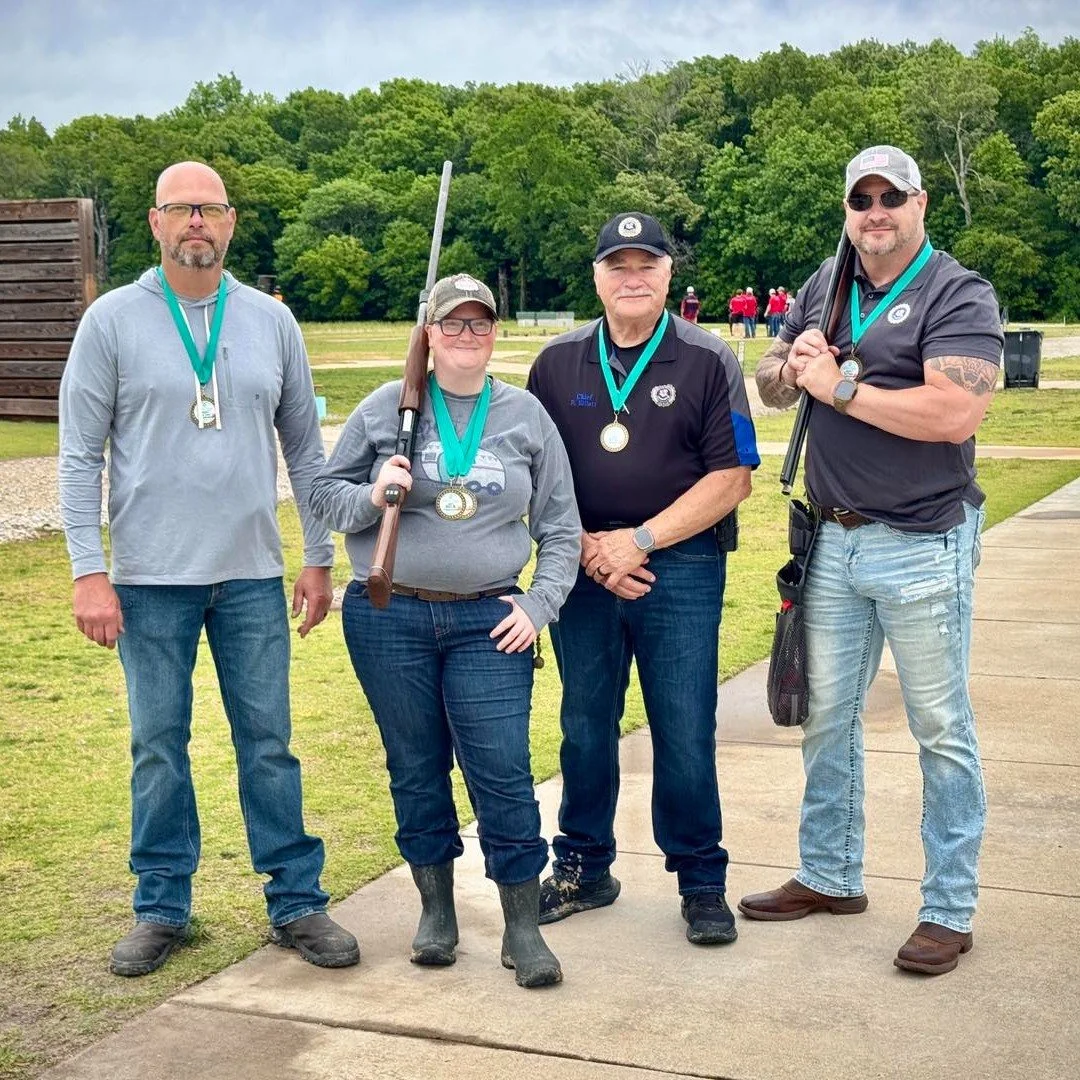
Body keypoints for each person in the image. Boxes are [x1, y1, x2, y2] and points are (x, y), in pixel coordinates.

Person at [57, 161, 359, 977]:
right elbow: (81, 455)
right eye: (182, 209)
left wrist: (319, 555)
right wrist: (90, 570)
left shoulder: (271, 322)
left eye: (211, 209)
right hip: (149, 581)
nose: (198, 221)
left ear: (231, 222)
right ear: (155, 222)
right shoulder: (112, 322)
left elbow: (304, 449)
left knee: (268, 743)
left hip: (253, 578)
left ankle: (297, 900)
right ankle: (162, 906)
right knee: (159, 745)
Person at [744, 145, 1003, 976]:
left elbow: (955, 412)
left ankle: (948, 908)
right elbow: (771, 382)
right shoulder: (828, 281)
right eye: (862, 198)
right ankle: (830, 874)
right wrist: (793, 364)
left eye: (891, 196)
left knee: (940, 729)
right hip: (831, 536)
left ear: (920, 204)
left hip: (923, 539)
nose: (875, 211)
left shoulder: (956, 291)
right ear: (847, 208)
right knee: (826, 717)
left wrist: (840, 388)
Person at [309, 273, 580, 988]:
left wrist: (538, 606)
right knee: (415, 766)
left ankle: (522, 925)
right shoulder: (387, 408)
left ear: (495, 333)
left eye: (479, 324)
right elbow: (324, 499)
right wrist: (374, 492)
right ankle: (437, 911)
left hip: (489, 621)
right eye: (451, 325)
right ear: (428, 334)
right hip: (388, 613)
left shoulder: (525, 415)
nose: (466, 336)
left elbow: (561, 528)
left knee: (502, 772)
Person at [527, 212, 759, 946]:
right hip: (583, 564)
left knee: (684, 728)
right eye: (617, 265)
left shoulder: (708, 357)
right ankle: (584, 867)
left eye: (646, 264)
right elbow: (534, 476)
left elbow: (733, 478)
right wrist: (593, 548)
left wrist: (641, 542)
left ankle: (701, 881)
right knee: (583, 726)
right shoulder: (556, 363)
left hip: (681, 567)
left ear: (668, 276)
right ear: (596, 276)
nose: (632, 277)